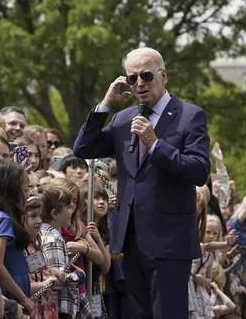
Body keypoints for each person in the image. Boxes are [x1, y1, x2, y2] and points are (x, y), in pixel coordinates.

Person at [73, 47, 210, 319]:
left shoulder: (189, 116)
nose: (139, 84)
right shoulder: (123, 119)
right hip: (130, 238)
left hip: (170, 240)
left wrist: (156, 144)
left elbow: (199, 171)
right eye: (132, 78)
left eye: (146, 75)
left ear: (163, 75)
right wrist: (105, 105)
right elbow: (83, 148)